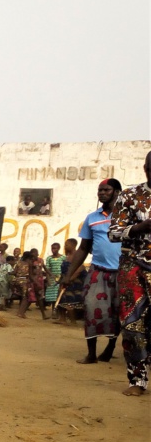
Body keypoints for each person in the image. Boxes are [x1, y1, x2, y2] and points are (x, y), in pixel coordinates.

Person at [62, 178, 122, 364]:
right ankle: (91, 354)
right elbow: (83, 248)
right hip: (98, 271)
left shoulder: (126, 217)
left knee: (119, 312)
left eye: (106, 189)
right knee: (90, 308)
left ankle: (110, 347)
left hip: (123, 272)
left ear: (117, 192)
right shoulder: (92, 218)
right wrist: (69, 274)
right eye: (100, 190)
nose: (102, 193)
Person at [108, 152, 151, 395]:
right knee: (132, 324)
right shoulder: (130, 196)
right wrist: (138, 227)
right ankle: (137, 381)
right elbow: (113, 233)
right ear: (145, 169)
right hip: (133, 268)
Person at [54, 238, 85, 325]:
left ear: (73, 245)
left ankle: (73, 321)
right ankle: (62, 318)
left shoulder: (77, 255)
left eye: (67, 245)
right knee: (61, 300)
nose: (65, 246)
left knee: (70, 301)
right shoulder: (67, 256)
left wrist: (69, 279)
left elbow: (80, 269)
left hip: (73, 282)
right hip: (64, 280)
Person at [44, 242, 64, 314]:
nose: (53, 250)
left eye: (55, 248)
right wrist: (48, 279)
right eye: (52, 248)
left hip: (61, 278)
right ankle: (54, 311)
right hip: (53, 279)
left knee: (59, 295)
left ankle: (59, 312)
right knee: (53, 297)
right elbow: (47, 269)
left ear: (58, 248)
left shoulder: (63, 258)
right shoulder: (49, 258)